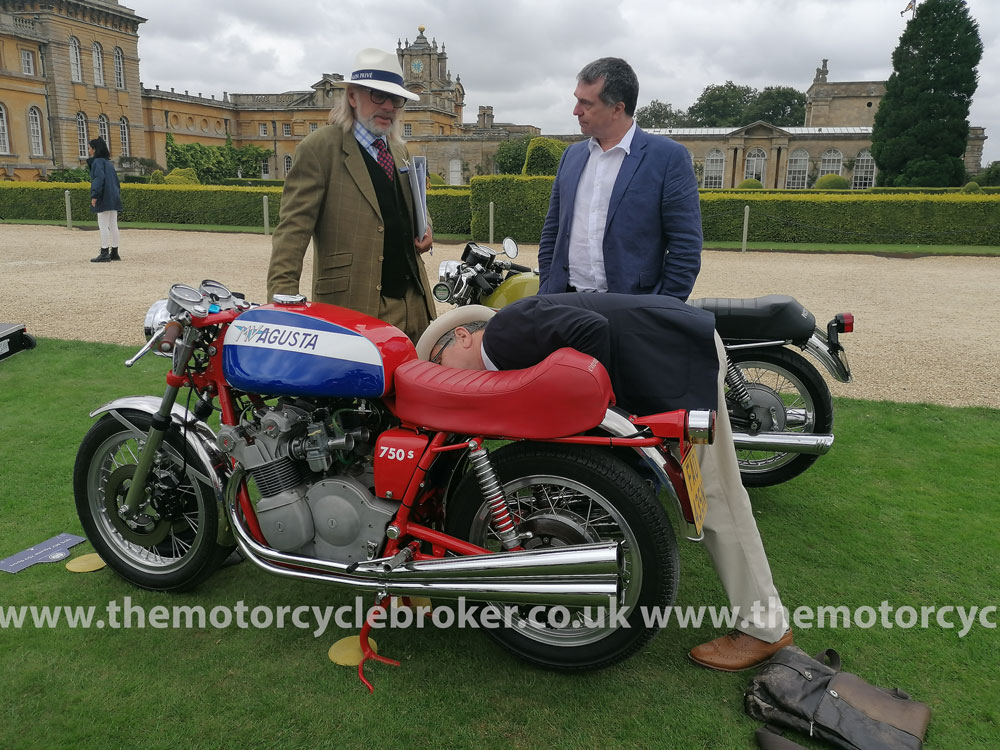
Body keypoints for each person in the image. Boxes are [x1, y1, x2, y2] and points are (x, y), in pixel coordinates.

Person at [415, 294, 794, 672]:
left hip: (672, 353)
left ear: (463, 336)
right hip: (669, 349)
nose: (445, 378)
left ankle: (764, 627)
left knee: (715, 494)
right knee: (716, 494)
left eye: (438, 363)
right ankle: (762, 621)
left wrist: (594, 412)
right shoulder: (507, 341)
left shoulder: (503, 334)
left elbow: (591, 332)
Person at [267, 47, 436, 342]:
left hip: (415, 302)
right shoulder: (320, 148)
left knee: (417, 386)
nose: (388, 107)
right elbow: (292, 232)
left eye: (395, 99)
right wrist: (282, 307)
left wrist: (426, 225)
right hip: (355, 304)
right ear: (353, 97)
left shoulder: (398, 149)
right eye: (378, 95)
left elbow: (410, 205)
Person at [538, 57, 702, 301]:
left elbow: (686, 245)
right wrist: (548, 287)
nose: (576, 111)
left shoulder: (667, 157)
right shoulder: (571, 156)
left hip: (633, 306)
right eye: (577, 100)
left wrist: (663, 307)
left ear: (617, 108)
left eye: (586, 103)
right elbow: (552, 231)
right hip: (565, 301)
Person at [87, 137, 123, 263]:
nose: (89, 150)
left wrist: (95, 195)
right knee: (113, 225)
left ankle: (104, 252)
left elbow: (98, 179)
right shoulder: (109, 163)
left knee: (103, 225)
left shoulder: (97, 163)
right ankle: (115, 252)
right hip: (113, 196)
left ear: (95, 149)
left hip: (104, 196)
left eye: (90, 148)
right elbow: (116, 183)